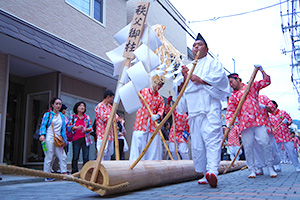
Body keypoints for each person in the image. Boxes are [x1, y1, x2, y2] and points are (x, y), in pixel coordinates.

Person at [173, 33, 231, 188]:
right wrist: (185, 77)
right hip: (194, 110)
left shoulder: (213, 63)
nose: (196, 47)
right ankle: (205, 172)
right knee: (198, 144)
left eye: (199, 45)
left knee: (212, 139)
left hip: (210, 107)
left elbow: (220, 80)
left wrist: (199, 79)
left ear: (206, 49)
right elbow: (179, 89)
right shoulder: (187, 66)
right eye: (194, 45)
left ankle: (213, 171)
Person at [226, 69, 277, 179]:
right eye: (229, 83)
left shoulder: (251, 87)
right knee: (248, 148)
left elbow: (267, 81)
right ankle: (252, 169)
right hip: (244, 125)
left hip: (258, 122)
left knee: (265, 143)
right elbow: (230, 111)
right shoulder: (233, 97)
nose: (231, 84)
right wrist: (228, 124)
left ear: (238, 79)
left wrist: (262, 70)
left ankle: (270, 167)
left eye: (232, 81)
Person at [129, 76, 165, 161]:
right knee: (138, 145)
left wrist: (158, 115)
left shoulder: (160, 99)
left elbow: (161, 110)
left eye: (161, 86)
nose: (159, 87)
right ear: (154, 82)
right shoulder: (143, 92)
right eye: (158, 84)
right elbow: (133, 95)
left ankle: (150, 169)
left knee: (152, 150)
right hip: (141, 124)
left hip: (152, 126)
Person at [39, 97, 68, 181]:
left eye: (60, 104)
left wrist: (65, 139)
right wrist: (42, 135)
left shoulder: (62, 116)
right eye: (57, 104)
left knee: (63, 156)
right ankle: (47, 175)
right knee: (49, 156)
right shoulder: (47, 115)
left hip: (59, 138)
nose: (58, 105)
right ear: (53, 105)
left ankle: (64, 173)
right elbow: (43, 125)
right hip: (49, 137)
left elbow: (65, 128)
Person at [269, 100, 300, 172]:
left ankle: (297, 166)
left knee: (292, 151)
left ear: (275, 105)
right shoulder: (269, 116)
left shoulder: (283, 112)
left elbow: (290, 120)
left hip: (285, 136)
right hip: (276, 136)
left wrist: (288, 121)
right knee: (276, 152)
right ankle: (277, 166)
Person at [253, 95, 281, 175]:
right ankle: (259, 167)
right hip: (253, 127)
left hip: (265, 126)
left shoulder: (263, 98)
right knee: (257, 149)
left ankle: (271, 166)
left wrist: (265, 107)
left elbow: (272, 109)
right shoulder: (245, 98)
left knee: (270, 147)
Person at [67, 101, 93, 174]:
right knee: (75, 156)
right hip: (76, 138)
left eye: (83, 106)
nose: (82, 107)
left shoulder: (87, 117)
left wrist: (86, 129)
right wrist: (76, 127)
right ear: (76, 107)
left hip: (86, 139)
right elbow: (68, 127)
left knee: (85, 157)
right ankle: (74, 172)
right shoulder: (72, 117)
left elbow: (91, 128)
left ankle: (85, 173)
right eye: (80, 106)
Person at [94, 90, 118, 160]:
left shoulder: (110, 107)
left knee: (109, 152)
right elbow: (104, 118)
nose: (112, 100)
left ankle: (106, 167)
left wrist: (111, 116)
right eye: (112, 98)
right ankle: (99, 167)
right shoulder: (100, 106)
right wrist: (111, 116)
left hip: (110, 133)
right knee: (102, 151)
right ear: (108, 97)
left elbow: (116, 117)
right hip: (102, 132)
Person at [165, 96, 190, 160]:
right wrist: (168, 103)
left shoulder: (188, 114)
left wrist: (186, 135)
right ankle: (176, 164)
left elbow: (188, 128)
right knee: (173, 149)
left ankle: (187, 165)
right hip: (174, 132)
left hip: (183, 134)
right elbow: (167, 111)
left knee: (183, 151)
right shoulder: (175, 109)